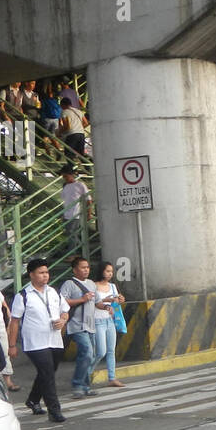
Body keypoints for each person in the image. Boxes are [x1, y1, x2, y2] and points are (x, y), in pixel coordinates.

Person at [8, 258, 70, 422]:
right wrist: (12, 345)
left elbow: (65, 311)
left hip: (55, 340)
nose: (45, 276)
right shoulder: (23, 296)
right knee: (47, 373)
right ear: (31, 275)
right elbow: (14, 321)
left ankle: (33, 400)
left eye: (46, 272)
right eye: (41, 273)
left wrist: (63, 320)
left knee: (47, 372)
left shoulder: (54, 292)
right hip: (35, 342)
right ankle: (54, 411)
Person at [60, 255, 98, 397]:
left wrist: (108, 305)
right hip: (76, 325)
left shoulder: (92, 284)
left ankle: (85, 386)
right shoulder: (69, 284)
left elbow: (97, 302)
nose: (86, 270)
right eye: (83, 268)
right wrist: (81, 299)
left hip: (90, 325)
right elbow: (62, 302)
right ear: (75, 270)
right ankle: (77, 384)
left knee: (90, 356)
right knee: (87, 352)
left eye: (87, 267)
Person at [92, 260, 126, 388]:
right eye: (107, 271)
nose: (110, 274)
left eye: (111, 271)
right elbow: (95, 303)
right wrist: (107, 301)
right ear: (101, 271)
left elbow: (116, 303)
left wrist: (120, 300)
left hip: (110, 320)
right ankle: (86, 373)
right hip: (97, 320)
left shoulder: (112, 286)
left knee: (111, 351)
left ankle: (112, 378)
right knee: (101, 351)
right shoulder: (93, 286)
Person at [61, 167, 90, 257]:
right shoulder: (65, 186)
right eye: (63, 176)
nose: (64, 178)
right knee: (71, 234)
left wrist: (89, 213)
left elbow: (88, 200)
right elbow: (65, 201)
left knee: (72, 234)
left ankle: (72, 254)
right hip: (66, 213)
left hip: (75, 214)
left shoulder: (80, 185)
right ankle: (80, 248)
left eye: (66, 176)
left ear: (71, 175)